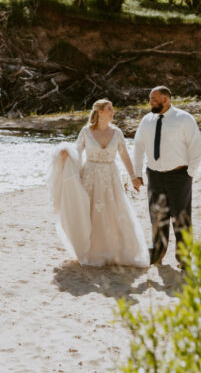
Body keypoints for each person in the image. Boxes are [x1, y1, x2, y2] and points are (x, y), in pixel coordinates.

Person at [49, 98, 149, 267]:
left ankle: (117, 251)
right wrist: (65, 153)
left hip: (111, 177)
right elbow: (77, 153)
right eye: (109, 109)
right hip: (90, 176)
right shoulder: (86, 132)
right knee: (91, 213)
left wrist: (133, 177)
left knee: (115, 211)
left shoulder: (116, 132)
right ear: (100, 112)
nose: (113, 112)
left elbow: (124, 156)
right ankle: (93, 251)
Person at [132, 86, 201, 266]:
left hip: (179, 175)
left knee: (181, 217)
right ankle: (157, 252)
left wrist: (190, 173)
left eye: (154, 99)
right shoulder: (146, 120)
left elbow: (195, 146)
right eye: (150, 98)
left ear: (166, 99)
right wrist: (137, 173)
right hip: (154, 175)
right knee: (157, 216)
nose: (151, 102)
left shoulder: (184, 119)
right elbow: (138, 146)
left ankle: (184, 257)